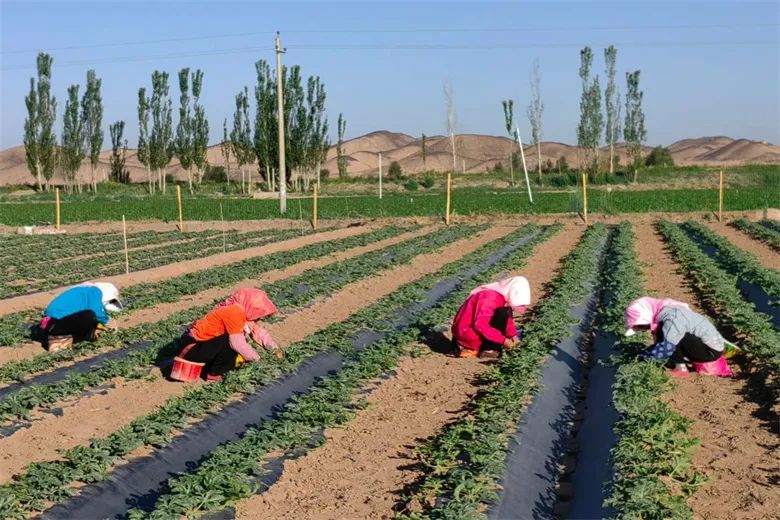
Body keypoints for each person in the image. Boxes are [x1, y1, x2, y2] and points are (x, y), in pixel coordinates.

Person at [177, 288, 280, 381]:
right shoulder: (234, 312)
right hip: (191, 347)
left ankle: (210, 367)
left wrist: (275, 350)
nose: (259, 315)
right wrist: (257, 360)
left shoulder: (241, 310)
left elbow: (258, 332)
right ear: (251, 305)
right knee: (231, 342)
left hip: (201, 346)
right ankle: (215, 372)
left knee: (235, 347)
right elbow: (237, 344)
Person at [624, 296, 732, 377]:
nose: (644, 329)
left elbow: (666, 348)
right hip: (708, 347)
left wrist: (643, 356)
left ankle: (681, 368)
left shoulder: (672, 317)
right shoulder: (668, 311)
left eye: (642, 326)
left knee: (670, 335)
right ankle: (681, 363)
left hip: (709, 352)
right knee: (668, 333)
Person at [451, 276, 530, 359]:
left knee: (503, 313)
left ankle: (488, 346)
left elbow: (507, 320)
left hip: (471, 330)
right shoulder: (489, 298)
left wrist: (513, 336)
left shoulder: (502, 298)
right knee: (501, 314)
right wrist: (504, 341)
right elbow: (481, 325)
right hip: (466, 333)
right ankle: (488, 349)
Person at [40, 282, 123, 351]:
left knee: (90, 319)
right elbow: (96, 312)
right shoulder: (95, 291)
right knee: (89, 315)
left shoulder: (83, 292)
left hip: (50, 324)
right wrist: (108, 321)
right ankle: (59, 338)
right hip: (56, 323)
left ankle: (61, 338)